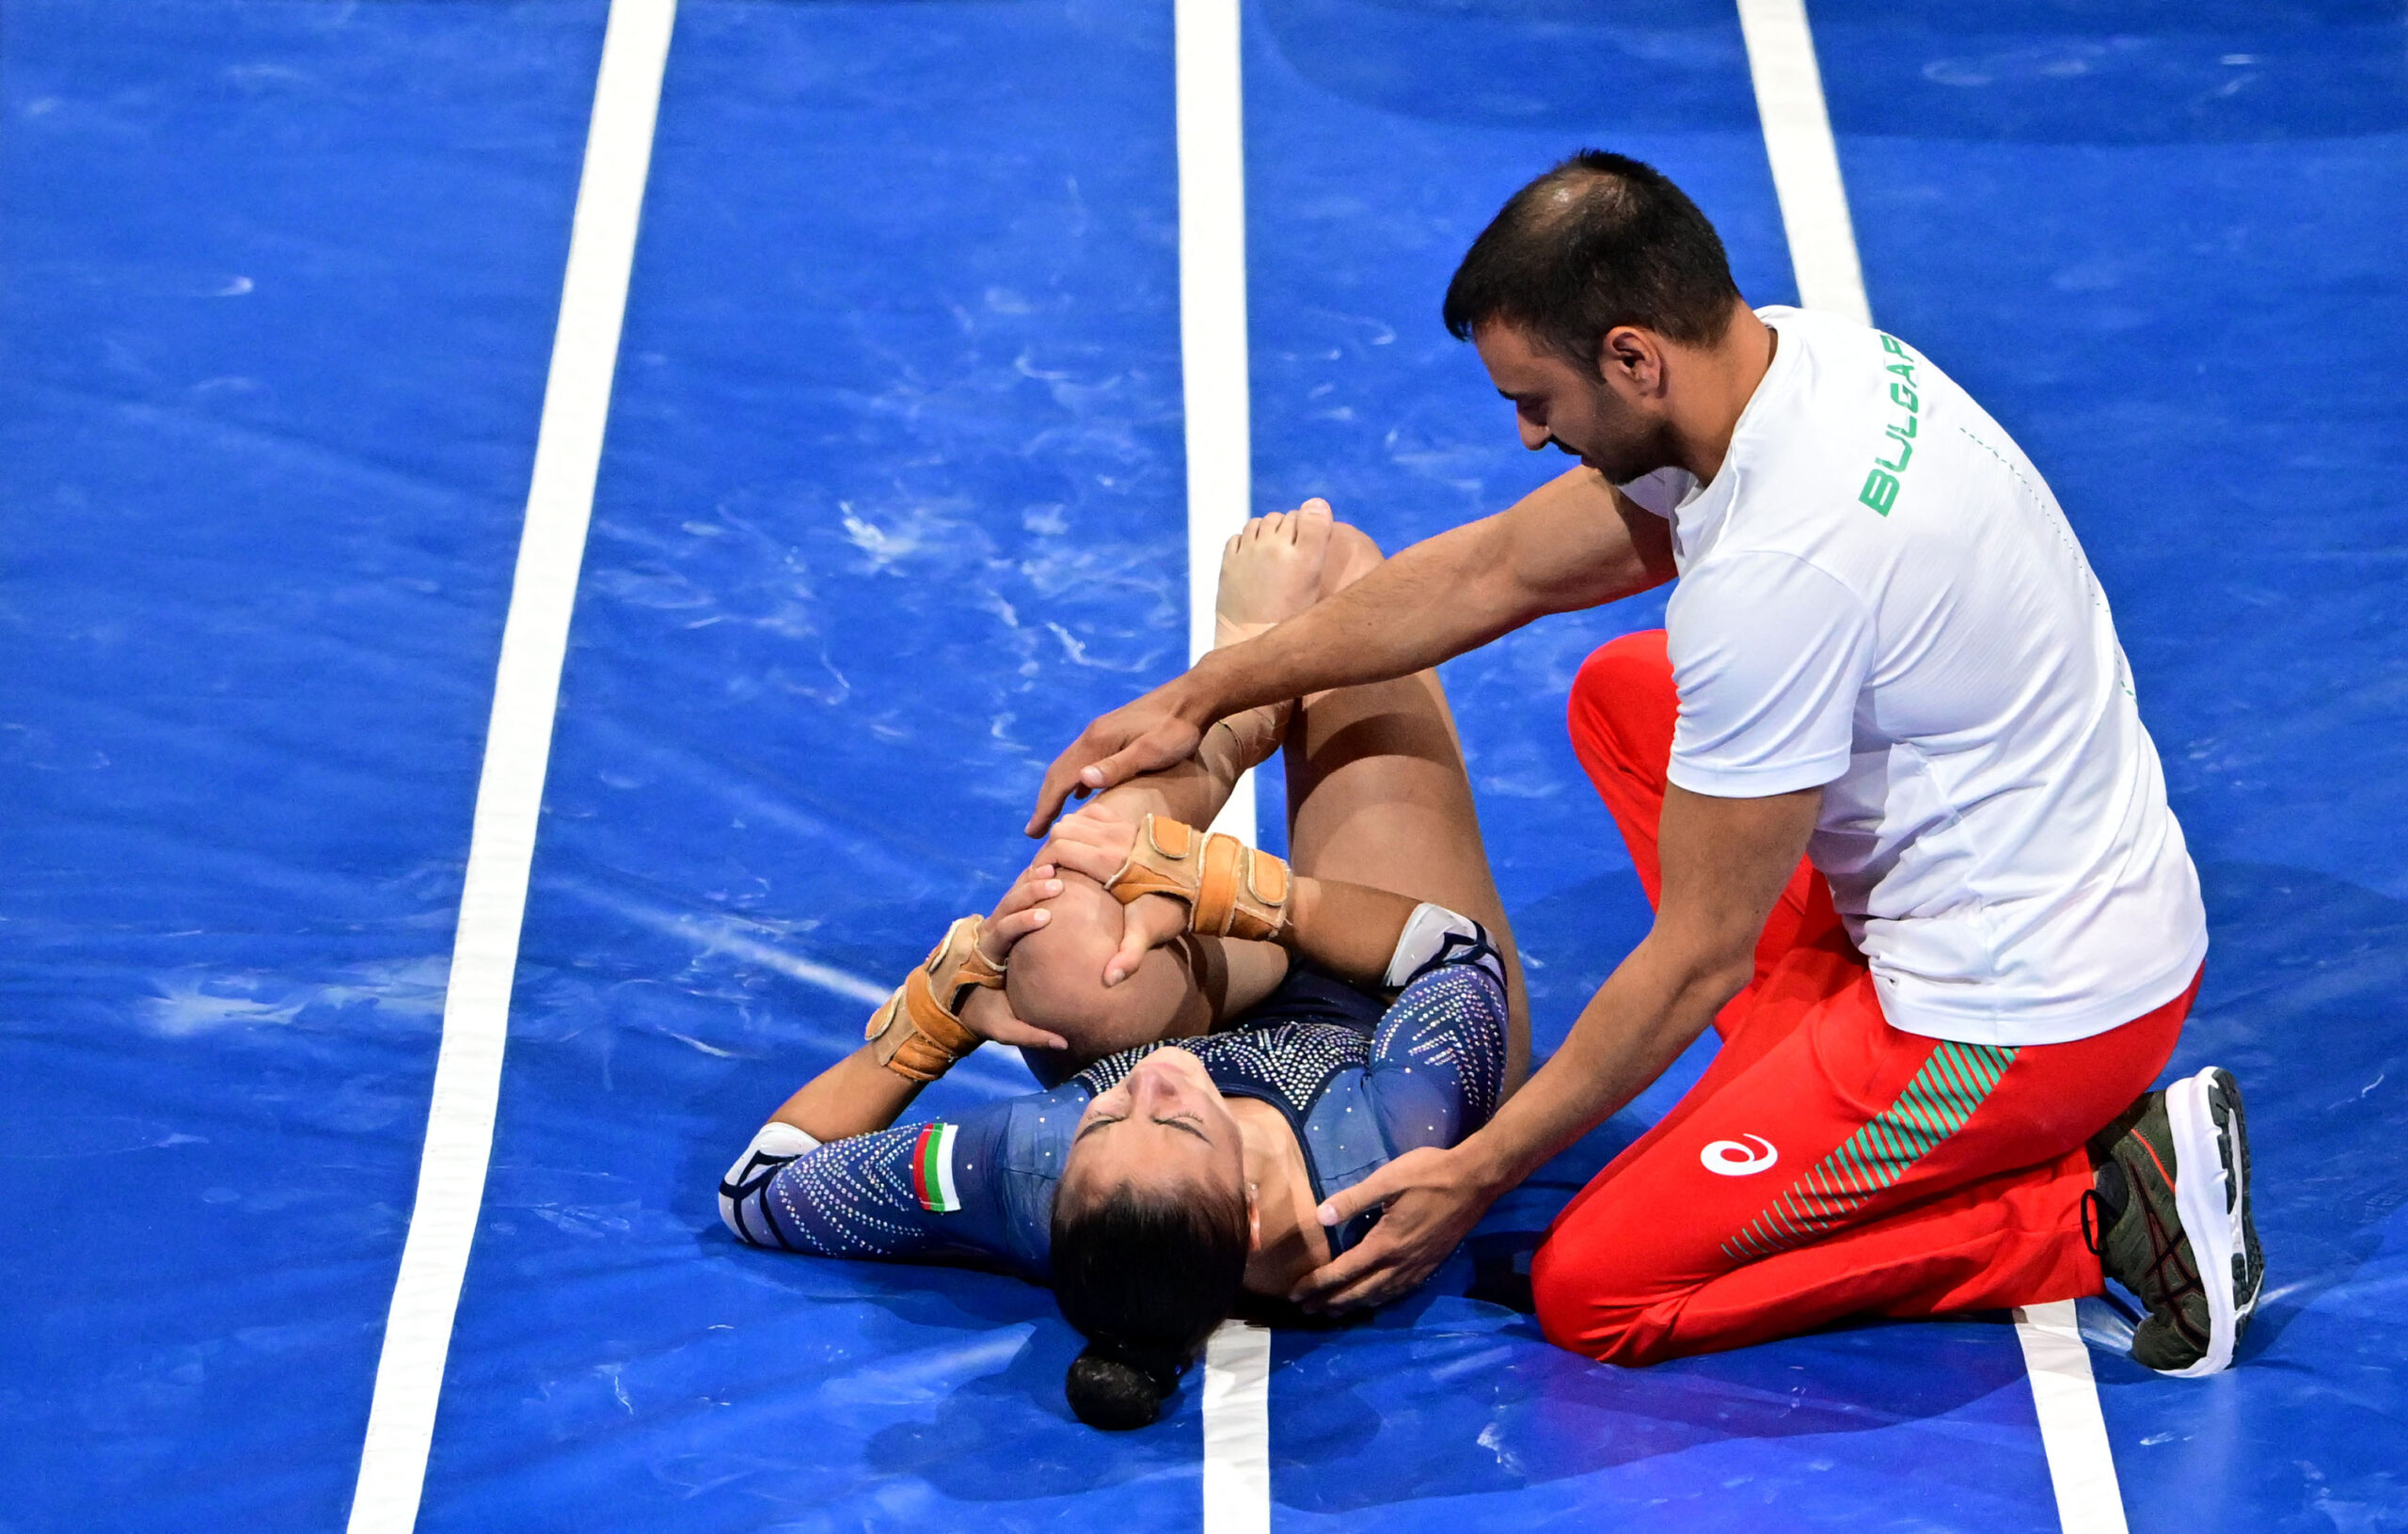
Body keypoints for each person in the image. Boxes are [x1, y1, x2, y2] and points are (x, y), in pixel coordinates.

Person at [1024, 150, 2263, 1376]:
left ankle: (2098, 1198)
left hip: (2018, 1019)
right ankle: (1819, 1071)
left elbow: (1693, 963)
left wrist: (1481, 1165)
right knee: (1629, 697)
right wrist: (1204, 694)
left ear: (1634, 356)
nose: (1525, 435)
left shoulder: (1783, 571)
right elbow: (1492, 570)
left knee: (1595, 1284)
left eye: (1538, 398)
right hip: (2055, 878)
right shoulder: (1790, 366)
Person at [718, 509, 1531, 1427]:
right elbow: (1454, 954)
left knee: (1058, 945)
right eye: (1180, 1125)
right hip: (1387, 994)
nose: (1152, 1082)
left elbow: (759, 1189)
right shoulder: (1381, 1152)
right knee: (1344, 578)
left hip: (1236, 990)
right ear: (1253, 1219)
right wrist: (1249, 892)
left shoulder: (1021, 1174)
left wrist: (940, 1012)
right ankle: (1241, 707)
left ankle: (1232, 717)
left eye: (1101, 1114)